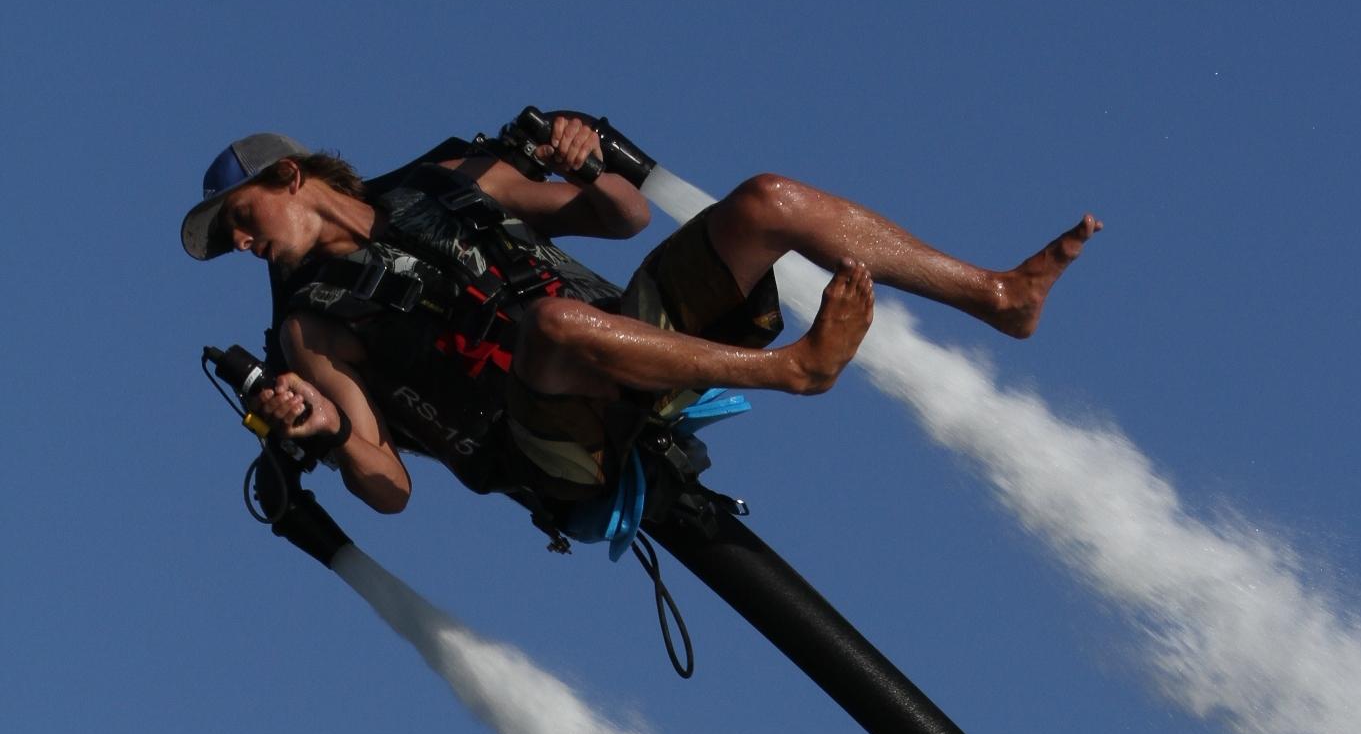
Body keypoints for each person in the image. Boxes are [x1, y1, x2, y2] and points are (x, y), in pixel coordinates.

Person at [181, 114, 1100, 522]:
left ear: (288, 176)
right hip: (551, 440)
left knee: (766, 201)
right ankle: (796, 369)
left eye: (241, 221)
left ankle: (996, 295)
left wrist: (580, 159)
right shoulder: (309, 326)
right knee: (546, 328)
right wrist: (330, 428)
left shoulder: (440, 180)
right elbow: (390, 484)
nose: (244, 245)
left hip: (629, 340)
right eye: (231, 242)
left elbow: (620, 217)